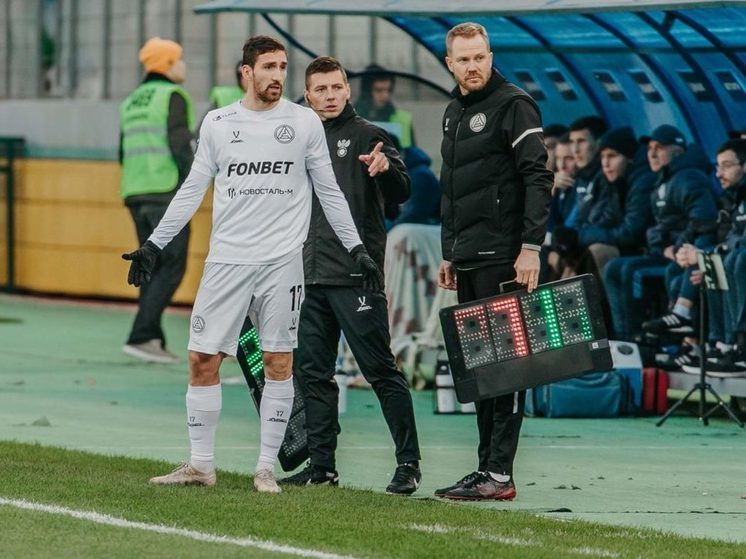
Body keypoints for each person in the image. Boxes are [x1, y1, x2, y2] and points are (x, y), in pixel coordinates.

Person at [122, 36, 382, 494]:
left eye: (282, 66)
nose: (277, 75)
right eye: (268, 67)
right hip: (226, 261)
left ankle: (265, 469)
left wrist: (356, 248)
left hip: (281, 263)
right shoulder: (219, 123)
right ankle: (201, 465)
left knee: (279, 362)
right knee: (202, 359)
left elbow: (329, 191)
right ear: (247, 72)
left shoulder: (303, 122)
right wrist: (154, 244)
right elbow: (192, 188)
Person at [279, 56, 422, 494]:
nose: (330, 96)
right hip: (308, 276)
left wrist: (387, 170)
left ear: (347, 90)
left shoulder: (369, 136)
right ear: (308, 96)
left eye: (336, 87)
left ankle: (408, 464)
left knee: (380, 370)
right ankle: (322, 468)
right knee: (313, 375)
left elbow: (402, 190)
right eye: (320, 89)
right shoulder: (297, 140)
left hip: (356, 276)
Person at [435, 22, 553, 501]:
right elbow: (452, 188)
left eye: (479, 57)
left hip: (505, 257)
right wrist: (450, 251)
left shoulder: (514, 104)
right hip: (469, 257)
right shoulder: (453, 112)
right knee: (481, 369)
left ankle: (500, 474)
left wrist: (531, 247)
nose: (473, 66)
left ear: (490, 56)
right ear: (450, 64)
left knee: (507, 368)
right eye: (464, 59)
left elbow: (538, 177)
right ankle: (485, 468)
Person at [604, 125, 718, 340]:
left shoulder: (689, 177)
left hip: (685, 254)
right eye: (650, 148)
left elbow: (703, 221)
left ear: (678, 151)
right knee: (613, 268)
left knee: (630, 271)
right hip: (668, 252)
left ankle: (638, 340)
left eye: (660, 148)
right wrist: (662, 245)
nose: (652, 154)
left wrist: (675, 249)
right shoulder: (664, 179)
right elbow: (658, 228)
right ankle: (623, 338)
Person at [119, 37, 194, 364]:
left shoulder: (131, 101)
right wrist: (194, 183)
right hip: (165, 191)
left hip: (135, 191)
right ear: (167, 64)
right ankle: (141, 335)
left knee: (149, 264)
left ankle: (151, 338)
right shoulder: (172, 96)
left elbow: (122, 151)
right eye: (179, 59)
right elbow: (180, 144)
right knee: (172, 264)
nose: (183, 65)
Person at [355, 64, 415, 148]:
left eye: (388, 90)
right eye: (379, 90)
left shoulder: (403, 119)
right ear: (367, 91)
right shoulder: (351, 117)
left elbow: (412, 153)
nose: (385, 95)